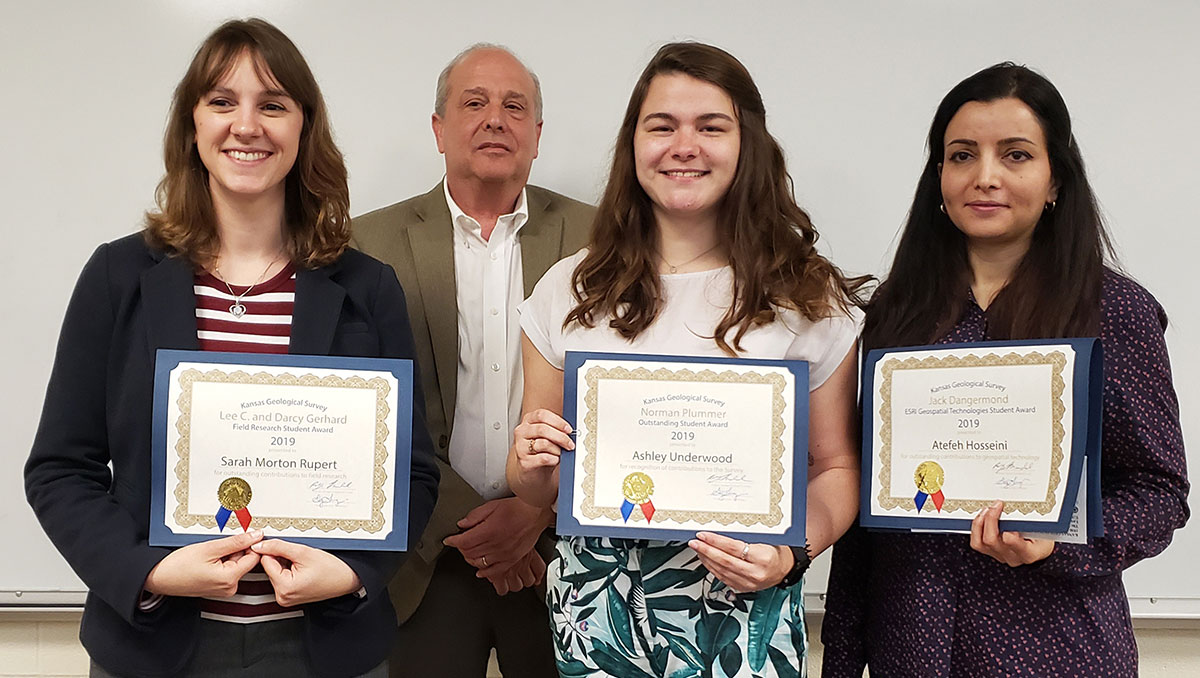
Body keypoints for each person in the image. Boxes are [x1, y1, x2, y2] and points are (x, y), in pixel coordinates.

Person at [24, 19, 439, 678]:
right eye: (223, 101)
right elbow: (59, 470)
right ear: (192, 125)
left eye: (272, 104)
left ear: (303, 129)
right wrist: (150, 572)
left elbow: (412, 474)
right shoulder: (117, 277)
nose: (247, 124)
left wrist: (352, 574)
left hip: (324, 651)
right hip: (154, 647)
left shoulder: (368, 288)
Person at [507, 42, 866, 677]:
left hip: (743, 609)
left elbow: (836, 467)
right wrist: (529, 462)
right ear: (633, 145)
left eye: (711, 126)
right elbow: (538, 485)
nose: (684, 145)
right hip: (597, 614)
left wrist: (791, 556)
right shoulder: (569, 290)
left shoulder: (805, 295)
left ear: (747, 144)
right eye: (662, 126)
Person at [820, 63, 1189, 678]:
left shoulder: (1114, 310)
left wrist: (1061, 544)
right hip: (910, 644)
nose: (984, 177)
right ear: (938, 176)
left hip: (1056, 648)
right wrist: (843, 657)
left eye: (1015, 155)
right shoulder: (893, 314)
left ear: (1055, 181)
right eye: (961, 155)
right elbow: (866, 515)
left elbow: (1158, 492)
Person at [353, 44, 594, 677]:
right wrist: (481, 524)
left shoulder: (604, 240)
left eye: (516, 106)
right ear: (438, 129)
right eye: (474, 103)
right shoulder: (363, 243)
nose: (496, 119)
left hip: (563, 560)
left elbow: (622, 395)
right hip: (423, 563)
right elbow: (361, 410)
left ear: (537, 135)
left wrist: (532, 512)